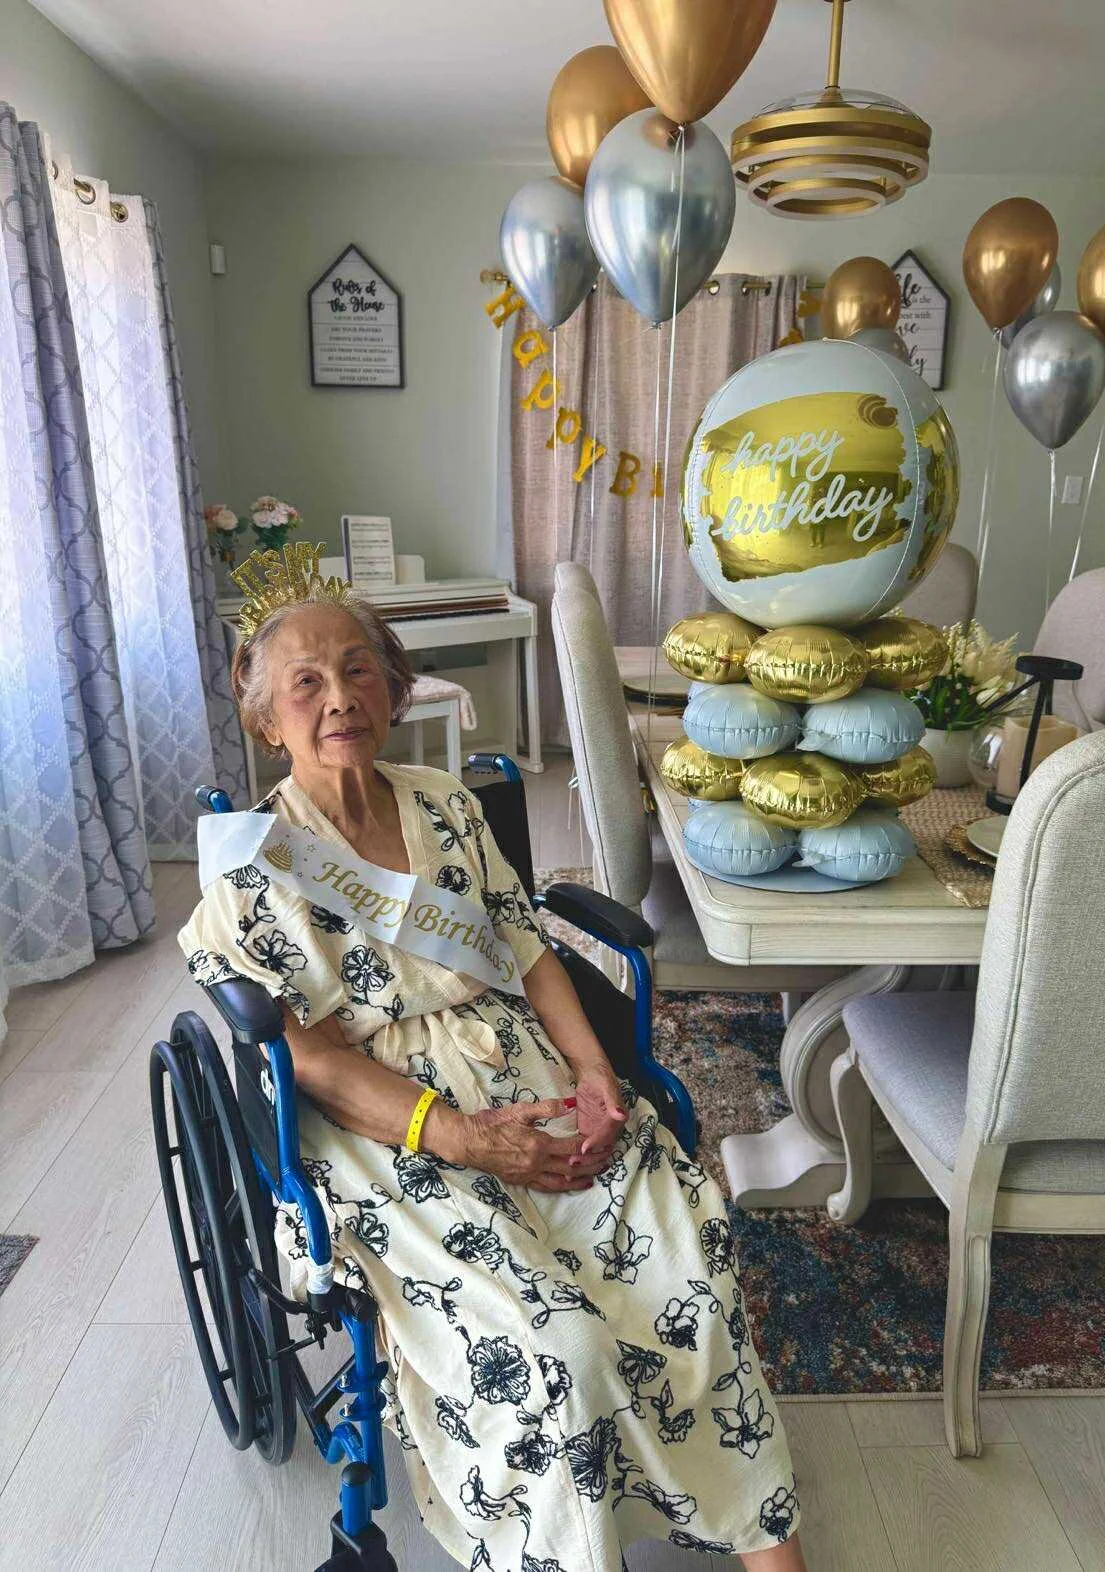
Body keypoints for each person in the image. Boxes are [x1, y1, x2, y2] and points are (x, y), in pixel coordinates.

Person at [179, 548, 806, 1572]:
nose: (339, 697)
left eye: (359, 669)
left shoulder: (447, 805)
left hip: (520, 1063)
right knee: (555, 1349)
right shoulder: (252, 869)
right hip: (391, 1124)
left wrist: (596, 1072)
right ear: (267, 719)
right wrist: (465, 1137)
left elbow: (526, 950)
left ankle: (760, 1533)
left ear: (392, 686)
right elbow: (313, 1064)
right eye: (307, 682)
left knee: (687, 1261)